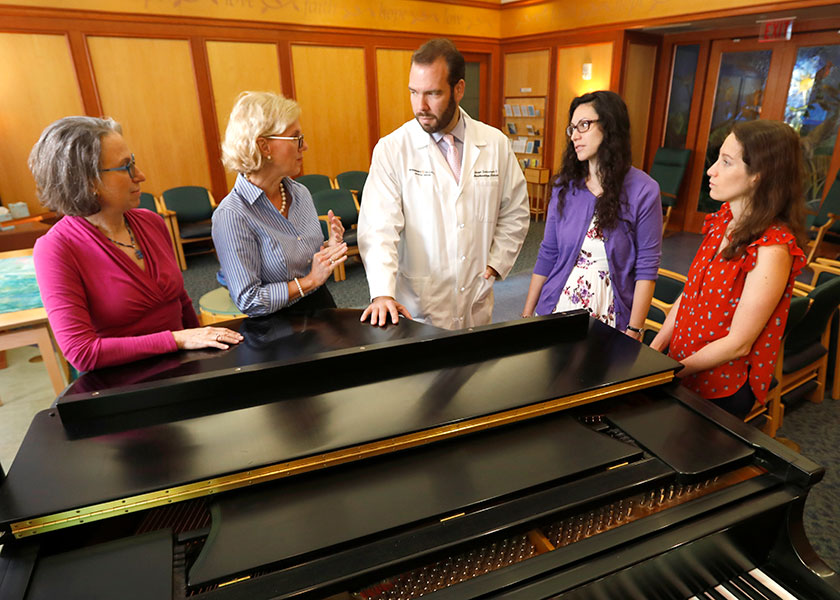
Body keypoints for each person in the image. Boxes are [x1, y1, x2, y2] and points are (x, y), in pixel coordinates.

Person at [30, 116, 243, 372]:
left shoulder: (151, 222)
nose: (140, 175)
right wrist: (176, 340)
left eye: (134, 163)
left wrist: (207, 355)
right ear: (87, 181)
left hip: (182, 364)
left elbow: (179, 301)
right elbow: (81, 352)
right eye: (125, 167)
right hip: (122, 382)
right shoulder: (56, 249)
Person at [358, 38, 529, 329]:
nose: (420, 106)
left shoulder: (495, 144)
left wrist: (495, 263)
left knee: (474, 369)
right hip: (416, 307)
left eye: (433, 93)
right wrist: (382, 293)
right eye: (414, 92)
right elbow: (378, 228)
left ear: (458, 89)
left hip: (475, 298)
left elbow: (515, 211)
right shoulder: (392, 149)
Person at [650, 120, 806, 419]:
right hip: (681, 363)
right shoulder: (723, 219)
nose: (711, 171)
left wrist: (672, 372)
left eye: (726, 162)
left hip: (720, 386)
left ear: (757, 177)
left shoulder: (772, 248)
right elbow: (690, 293)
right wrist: (656, 351)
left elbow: (739, 343)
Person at [521, 91, 662, 341]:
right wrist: (527, 313)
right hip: (558, 307)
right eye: (573, 128)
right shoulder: (564, 187)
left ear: (609, 126)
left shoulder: (644, 190)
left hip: (611, 317)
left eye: (584, 125)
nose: (575, 135)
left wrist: (635, 329)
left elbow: (647, 268)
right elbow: (548, 252)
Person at [212, 91, 347, 317]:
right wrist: (310, 280)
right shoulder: (232, 215)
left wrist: (329, 247)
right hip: (276, 328)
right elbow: (249, 299)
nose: (304, 147)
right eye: (296, 138)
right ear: (264, 147)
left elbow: (301, 259)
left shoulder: (300, 193)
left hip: (321, 307)